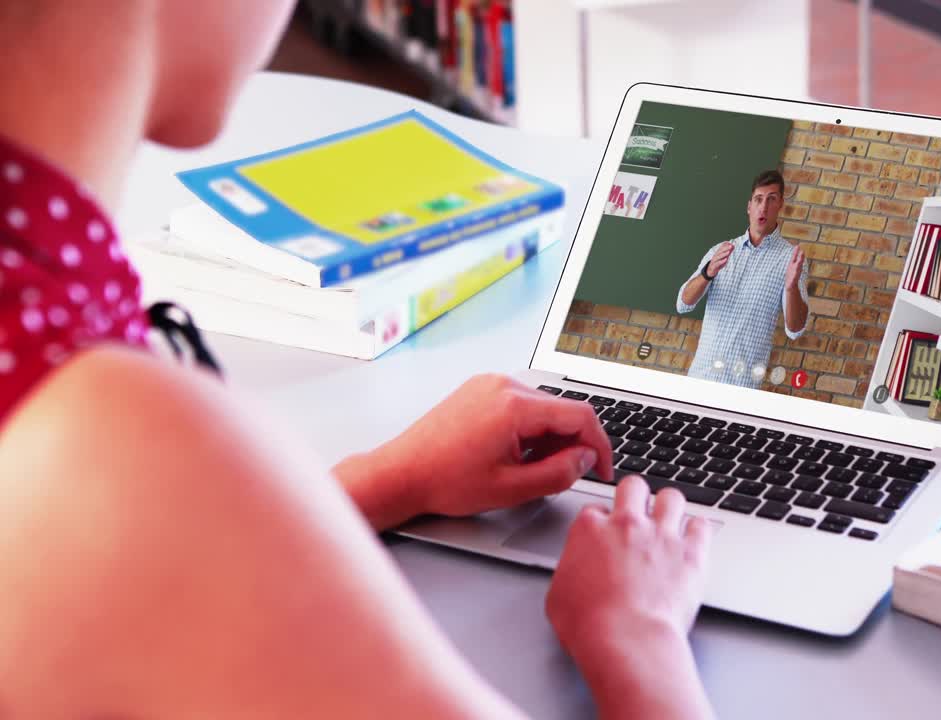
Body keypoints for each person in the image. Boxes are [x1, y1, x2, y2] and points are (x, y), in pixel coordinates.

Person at [0, 2, 715, 718]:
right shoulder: (123, 442)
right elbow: (151, 529)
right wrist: (640, 638)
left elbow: (146, 581)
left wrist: (386, 480)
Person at [676, 169, 809, 389]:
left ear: (780, 205)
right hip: (699, 379)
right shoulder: (721, 250)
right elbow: (683, 303)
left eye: (771, 199)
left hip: (742, 387)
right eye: (758, 199)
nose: (763, 207)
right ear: (749, 207)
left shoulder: (792, 260)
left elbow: (795, 330)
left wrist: (792, 286)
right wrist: (706, 274)